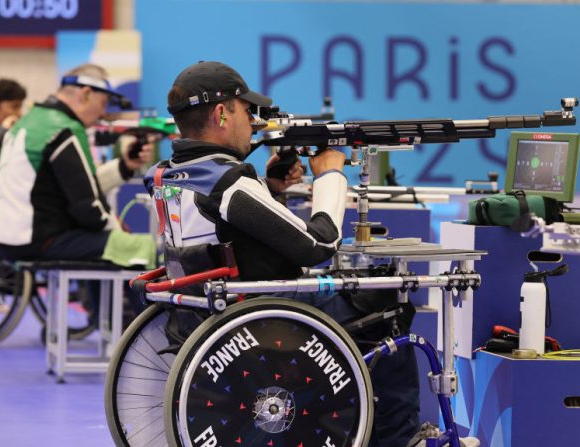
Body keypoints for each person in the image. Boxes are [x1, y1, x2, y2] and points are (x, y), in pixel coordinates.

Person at [148, 61, 419, 446]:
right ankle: (397, 439)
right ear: (223, 113)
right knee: (386, 307)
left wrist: (270, 188)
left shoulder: (170, 173)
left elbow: (227, 231)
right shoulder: (227, 180)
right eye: (247, 110)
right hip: (261, 322)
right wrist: (329, 174)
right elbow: (320, 245)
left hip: (201, 316)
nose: (253, 121)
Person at [0, 63, 153, 263]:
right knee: (139, 248)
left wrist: (124, 166)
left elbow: (74, 187)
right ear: (86, 94)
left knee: (101, 241)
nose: (103, 113)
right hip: (33, 239)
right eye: (103, 103)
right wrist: (120, 231)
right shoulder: (65, 129)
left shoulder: (31, 120)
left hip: (0, 238)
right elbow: (87, 206)